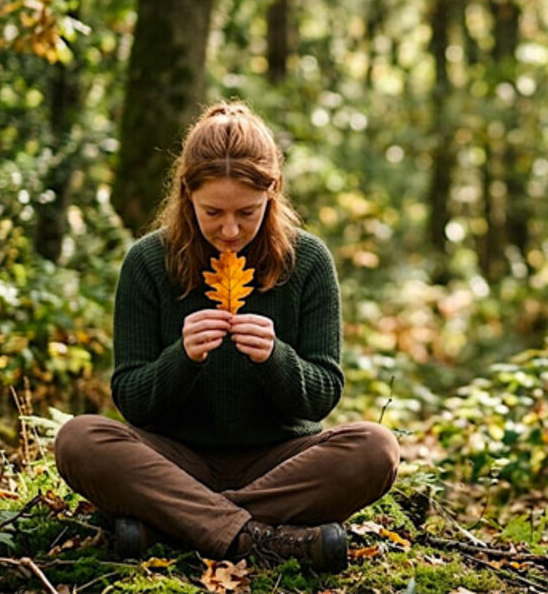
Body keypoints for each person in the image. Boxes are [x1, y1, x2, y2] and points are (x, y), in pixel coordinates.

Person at [54, 102, 399, 573]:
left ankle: (172, 526)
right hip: (175, 461)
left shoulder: (309, 261)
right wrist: (183, 358)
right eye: (213, 212)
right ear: (186, 194)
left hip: (278, 464)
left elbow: (321, 398)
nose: (230, 229)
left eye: (247, 212)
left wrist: (276, 358)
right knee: (78, 439)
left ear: (272, 193)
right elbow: (131, 399)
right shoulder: (148, 262)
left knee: (376, 448)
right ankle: (262, 537)